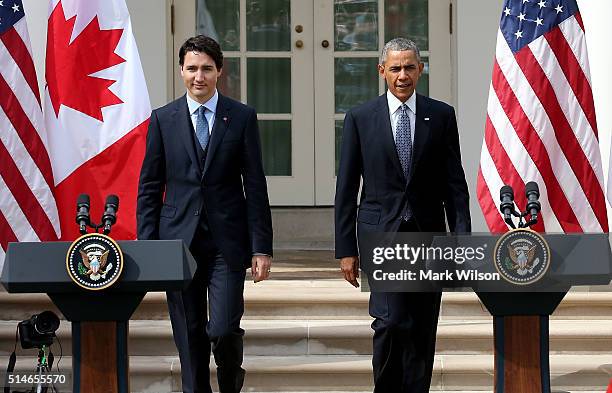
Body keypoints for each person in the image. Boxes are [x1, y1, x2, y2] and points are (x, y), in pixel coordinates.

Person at [137, 35, 273, 393]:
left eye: (207, 69)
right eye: (192, 68)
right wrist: (148, 246)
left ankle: (230, 381)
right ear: (181, 71)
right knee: (189, 332)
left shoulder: (241, 117)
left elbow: (255, 185)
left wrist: (262, 247)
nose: (199, 76)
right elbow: (150, 186)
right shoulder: (162, 120)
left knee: (223, 329)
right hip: (177, 243)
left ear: (219, 71)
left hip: (227, 244)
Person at [334, 37, 471, 393]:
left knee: (422, 328)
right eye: (395, 68)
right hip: (382, 238)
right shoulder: (360, 118)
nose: (403, 75)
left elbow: (455, 185)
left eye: (410, 67)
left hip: (428, 237)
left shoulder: (441, 116)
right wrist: (346, 249)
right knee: (390, 322)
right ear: (382, 72)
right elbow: (346, 190)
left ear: (420, 70)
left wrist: (461, 240)